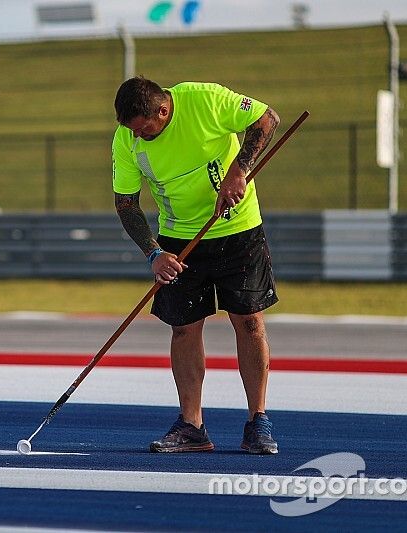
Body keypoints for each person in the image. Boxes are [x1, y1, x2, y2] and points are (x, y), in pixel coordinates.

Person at [112, 76, 280, 454]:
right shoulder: (126, 139)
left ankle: (258, 421)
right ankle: (192, 426)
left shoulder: (204, 100)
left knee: (248, 321)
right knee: (183, 330)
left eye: (144, 129)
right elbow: (126, 203)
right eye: (131, 130)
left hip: (237, 227)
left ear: (163, 109)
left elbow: (267, 119)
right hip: (179, 237)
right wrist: (154, 254)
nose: (138, 136)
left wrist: (239, 170)